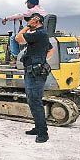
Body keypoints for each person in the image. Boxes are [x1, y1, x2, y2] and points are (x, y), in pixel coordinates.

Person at [15, 13, 54, 143]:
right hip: (32, 72)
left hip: (35, 74)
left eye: (30, 21)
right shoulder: (41, 35)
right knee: (32, 101)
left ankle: (43, 133)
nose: (28, 23)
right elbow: (50, 50)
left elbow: (18, 38)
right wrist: (41, 60)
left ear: (36, 21)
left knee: (35, 102)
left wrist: (26, 27)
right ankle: (38, 128)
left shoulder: (39, 33)